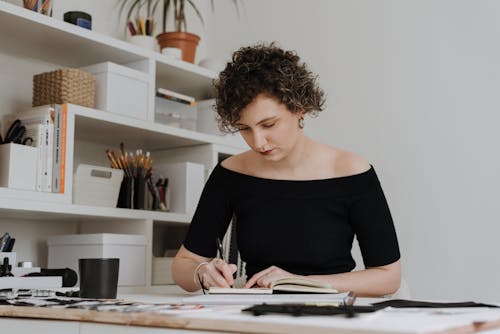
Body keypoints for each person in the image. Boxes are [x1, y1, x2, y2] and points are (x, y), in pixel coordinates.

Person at [172, 43, 401, 297]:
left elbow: (388, 277)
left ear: (299, 107)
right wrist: (202, 272)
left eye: (268, 124)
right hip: (255, 313)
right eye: (244, 129)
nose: (258, 142)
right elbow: (183, 264)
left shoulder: (351, 172)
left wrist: (300, 282)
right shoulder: (231, 174)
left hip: (329, 315)